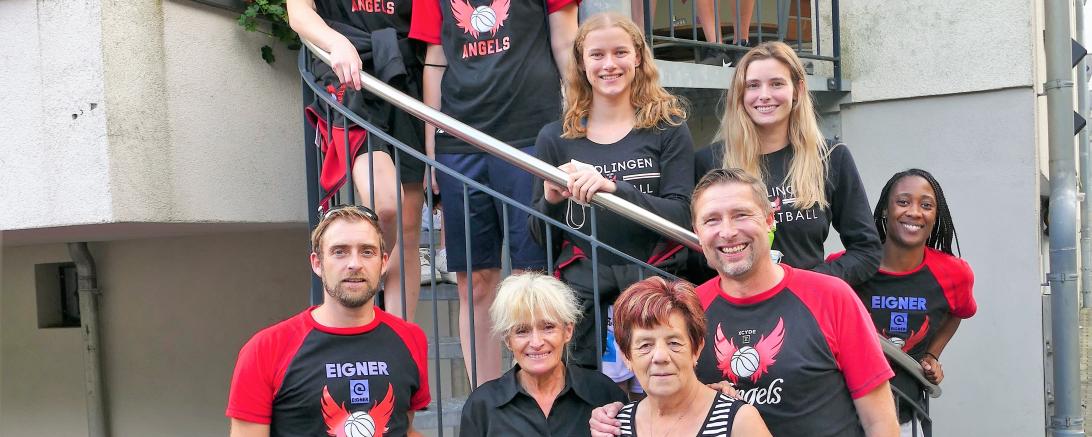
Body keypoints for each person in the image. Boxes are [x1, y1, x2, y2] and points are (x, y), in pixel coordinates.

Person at [591, 168, 898, 437]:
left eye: (741, 214)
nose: (728, 231)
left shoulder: (831, 297)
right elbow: (669, 400)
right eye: (712, 220)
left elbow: (880, 423)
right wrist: (616, 416)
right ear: (698, 233)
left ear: (768, 220)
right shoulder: (687, 310)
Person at [409, 0, 578, 385]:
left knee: (532, 277)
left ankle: (538, 394)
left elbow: (567, 44)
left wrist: (574, 126)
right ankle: (486, 400)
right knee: (475, 280)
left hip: (531, 136)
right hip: (460, 144)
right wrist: (433, 147)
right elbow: (435, 61)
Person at [532, 12, 694, 370]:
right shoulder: (555, 137)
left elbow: (683, 216)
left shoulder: (667, 127)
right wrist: (551, 201)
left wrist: (613, 189)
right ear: (581, 63)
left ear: (638, 57)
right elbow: (540, 240)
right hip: (584, 299)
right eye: (597, 55)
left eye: (620, 52)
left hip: (656, 292)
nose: (610, 64)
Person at [226, 206, 429, 437]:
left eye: (367, 251)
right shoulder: (265, 349)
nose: (354, 264)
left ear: (383, 262)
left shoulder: (410, 338)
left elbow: (404, 428)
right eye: (340, 252)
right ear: (317, 264)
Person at [694, 41, 881, 286]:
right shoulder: (710, 162)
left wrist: (808, 283)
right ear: (740, 94)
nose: (764, 95)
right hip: (736, 309)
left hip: (808, 306)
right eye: (753, 85)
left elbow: (867, 251)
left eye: (776, 83)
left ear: (798, 89)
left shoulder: (831, 157)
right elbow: (697, 252)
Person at [288, 0, 427, 321]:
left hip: (403, 72)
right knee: (387, 203)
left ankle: (397, 334)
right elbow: (299, 12)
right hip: (347, 73)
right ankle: (365, 288)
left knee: (408, 225)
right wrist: (336, 43)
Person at [828, 169, 976, 436]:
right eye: (903, 202)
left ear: (935, 215)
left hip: (906, 417)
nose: (915, 212)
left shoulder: (955, 274)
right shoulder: (845, 267)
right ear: (886, 209)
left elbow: (959, 311)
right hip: (841, 417)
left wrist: (932, 354)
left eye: (926, 205)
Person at [460, 272, 629, 436]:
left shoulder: (603, 393)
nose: (536, 342)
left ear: (568, 331)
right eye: (522, 331)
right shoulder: (482, 406)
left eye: (548, 327)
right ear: (508, 340)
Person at [610, 276, 772, 437]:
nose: (660, 356)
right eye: (645, 345)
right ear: (627, 356)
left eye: (674, 342)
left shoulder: (739, 421)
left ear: (696, 349)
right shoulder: (614, 426)